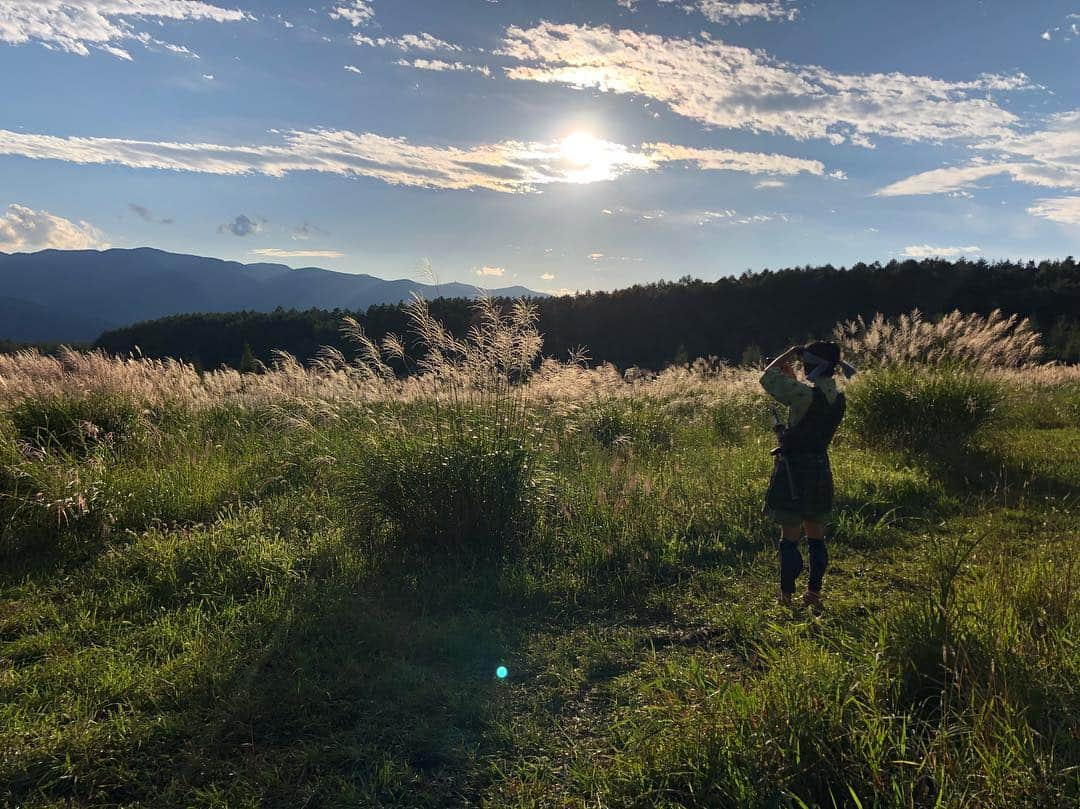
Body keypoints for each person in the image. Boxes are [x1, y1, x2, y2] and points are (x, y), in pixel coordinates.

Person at [760, 341, 855, 609]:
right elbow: (813, 411)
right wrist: (796, 378)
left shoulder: (803, 395)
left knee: (789, 537)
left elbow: (767, 376)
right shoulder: (838, 398)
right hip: (820, 469)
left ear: (811, 365)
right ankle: (813, 593)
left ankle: (786, 595)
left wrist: (789, 351)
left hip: (794, 470)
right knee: (816, 536)